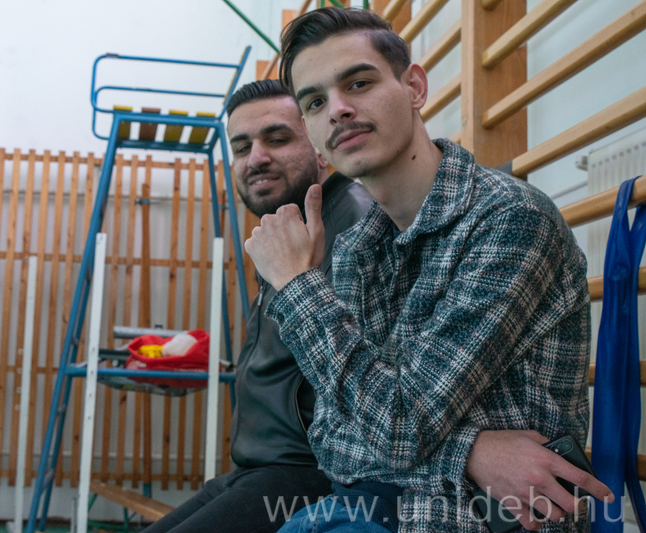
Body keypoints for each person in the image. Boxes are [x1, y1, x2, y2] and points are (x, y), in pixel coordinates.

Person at [244, 8, 613, 533]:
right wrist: (471, 455)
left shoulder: (509, 220)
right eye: (316, 102)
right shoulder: (355, 249)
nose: (339, 109)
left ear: (414, 87)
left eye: (359, 83)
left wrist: (298, 287)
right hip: (370, 510)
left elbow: (398, 428)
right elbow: (329, 438)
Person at [141, 79, 374, 533]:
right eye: (242, 147)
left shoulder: (354, 225)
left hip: (307, 477)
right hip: (257, 470)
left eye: (277, 138)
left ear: (320, 145)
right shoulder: (288, 229)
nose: (256, 158)